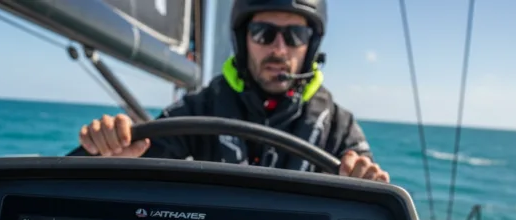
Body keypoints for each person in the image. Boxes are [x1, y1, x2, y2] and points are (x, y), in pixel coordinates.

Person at [77, 0, 389, 182]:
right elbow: (134, 164)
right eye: (263, 33)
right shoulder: (202, 107)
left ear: (311, 46)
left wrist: (366, 179)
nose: (279, 49)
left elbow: (372, 204)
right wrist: (106, 153)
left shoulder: (339, 126)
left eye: (296, 35)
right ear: (243, 39)